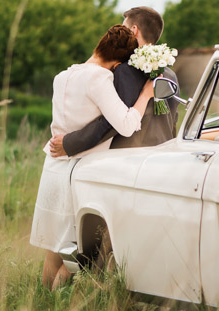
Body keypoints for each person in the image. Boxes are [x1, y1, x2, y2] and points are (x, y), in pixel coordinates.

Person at [30, 25, 154, 289]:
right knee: (76, 251)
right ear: (118, 62)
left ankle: (42, 301)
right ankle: (57, 310)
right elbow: (126, 124)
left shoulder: (62, 76)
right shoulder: (100, 79)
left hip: (53, 167)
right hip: (79, 171)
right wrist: (145, 95)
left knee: (54, 246)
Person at [49, 6, 180, 157]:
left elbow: (110, 123)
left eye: (125, 28)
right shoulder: (170, 74)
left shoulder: (123, 70)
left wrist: (69, 144)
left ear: (134, 30)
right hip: (163, 156)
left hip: (129, 160)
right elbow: (173, 121)